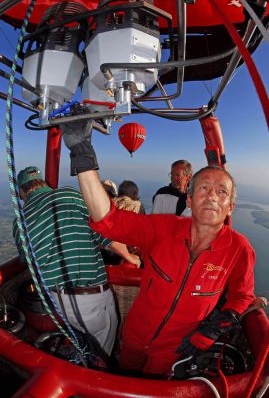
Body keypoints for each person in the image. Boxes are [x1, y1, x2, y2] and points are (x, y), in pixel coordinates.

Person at [60, 121, 255, 376]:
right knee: (124, 378)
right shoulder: (163, 229)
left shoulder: (239, 249)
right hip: (135, 335)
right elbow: (108, 220)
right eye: (204, 189)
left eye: (221, 192)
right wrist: (81, 153)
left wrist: (213, 330)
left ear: (230, 207)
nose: (212, 196)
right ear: (189, 199)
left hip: (175, 350)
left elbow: (242, 296)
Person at [13, 166, 140, 356]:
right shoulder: (69, 195)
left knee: (77, 352)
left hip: (55, 303)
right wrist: (129, 257)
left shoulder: (19, 220)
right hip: (91, 301)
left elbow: (29, 261)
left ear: (22, 191)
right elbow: (105, 235)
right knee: (100, 358)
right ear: (44, 184)